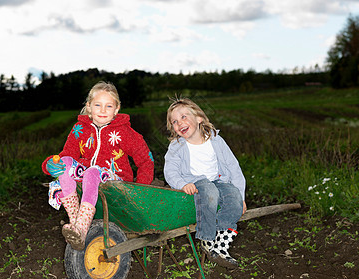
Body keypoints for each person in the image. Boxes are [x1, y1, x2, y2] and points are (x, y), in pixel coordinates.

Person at [42, 81, 154, 251]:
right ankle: (76, 224)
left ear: (116, 109)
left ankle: (82, 227)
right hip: (88, 174)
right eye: (98, 105)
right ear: (89, 107)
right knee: (65, 163)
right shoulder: (79, 128)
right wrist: (50, 164)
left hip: (115, 178)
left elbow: (145, 158)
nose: (103, 110)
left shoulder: (124, 132)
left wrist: (141, 187)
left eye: (108, 106)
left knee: (92, 172)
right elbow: (68, 154)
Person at [164, 97, 246, 268]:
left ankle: (221, 244)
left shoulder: (216, 140)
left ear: (199, 118)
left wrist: (241, 196)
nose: (180, 123)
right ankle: (207, 239)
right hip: (195, 183)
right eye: (175, 122)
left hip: (218, 180)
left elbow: (233, 167)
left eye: (184, 117)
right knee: (209, 192)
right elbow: (170, 171)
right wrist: (181, 184)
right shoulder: (177, 147)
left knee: (234, 197)